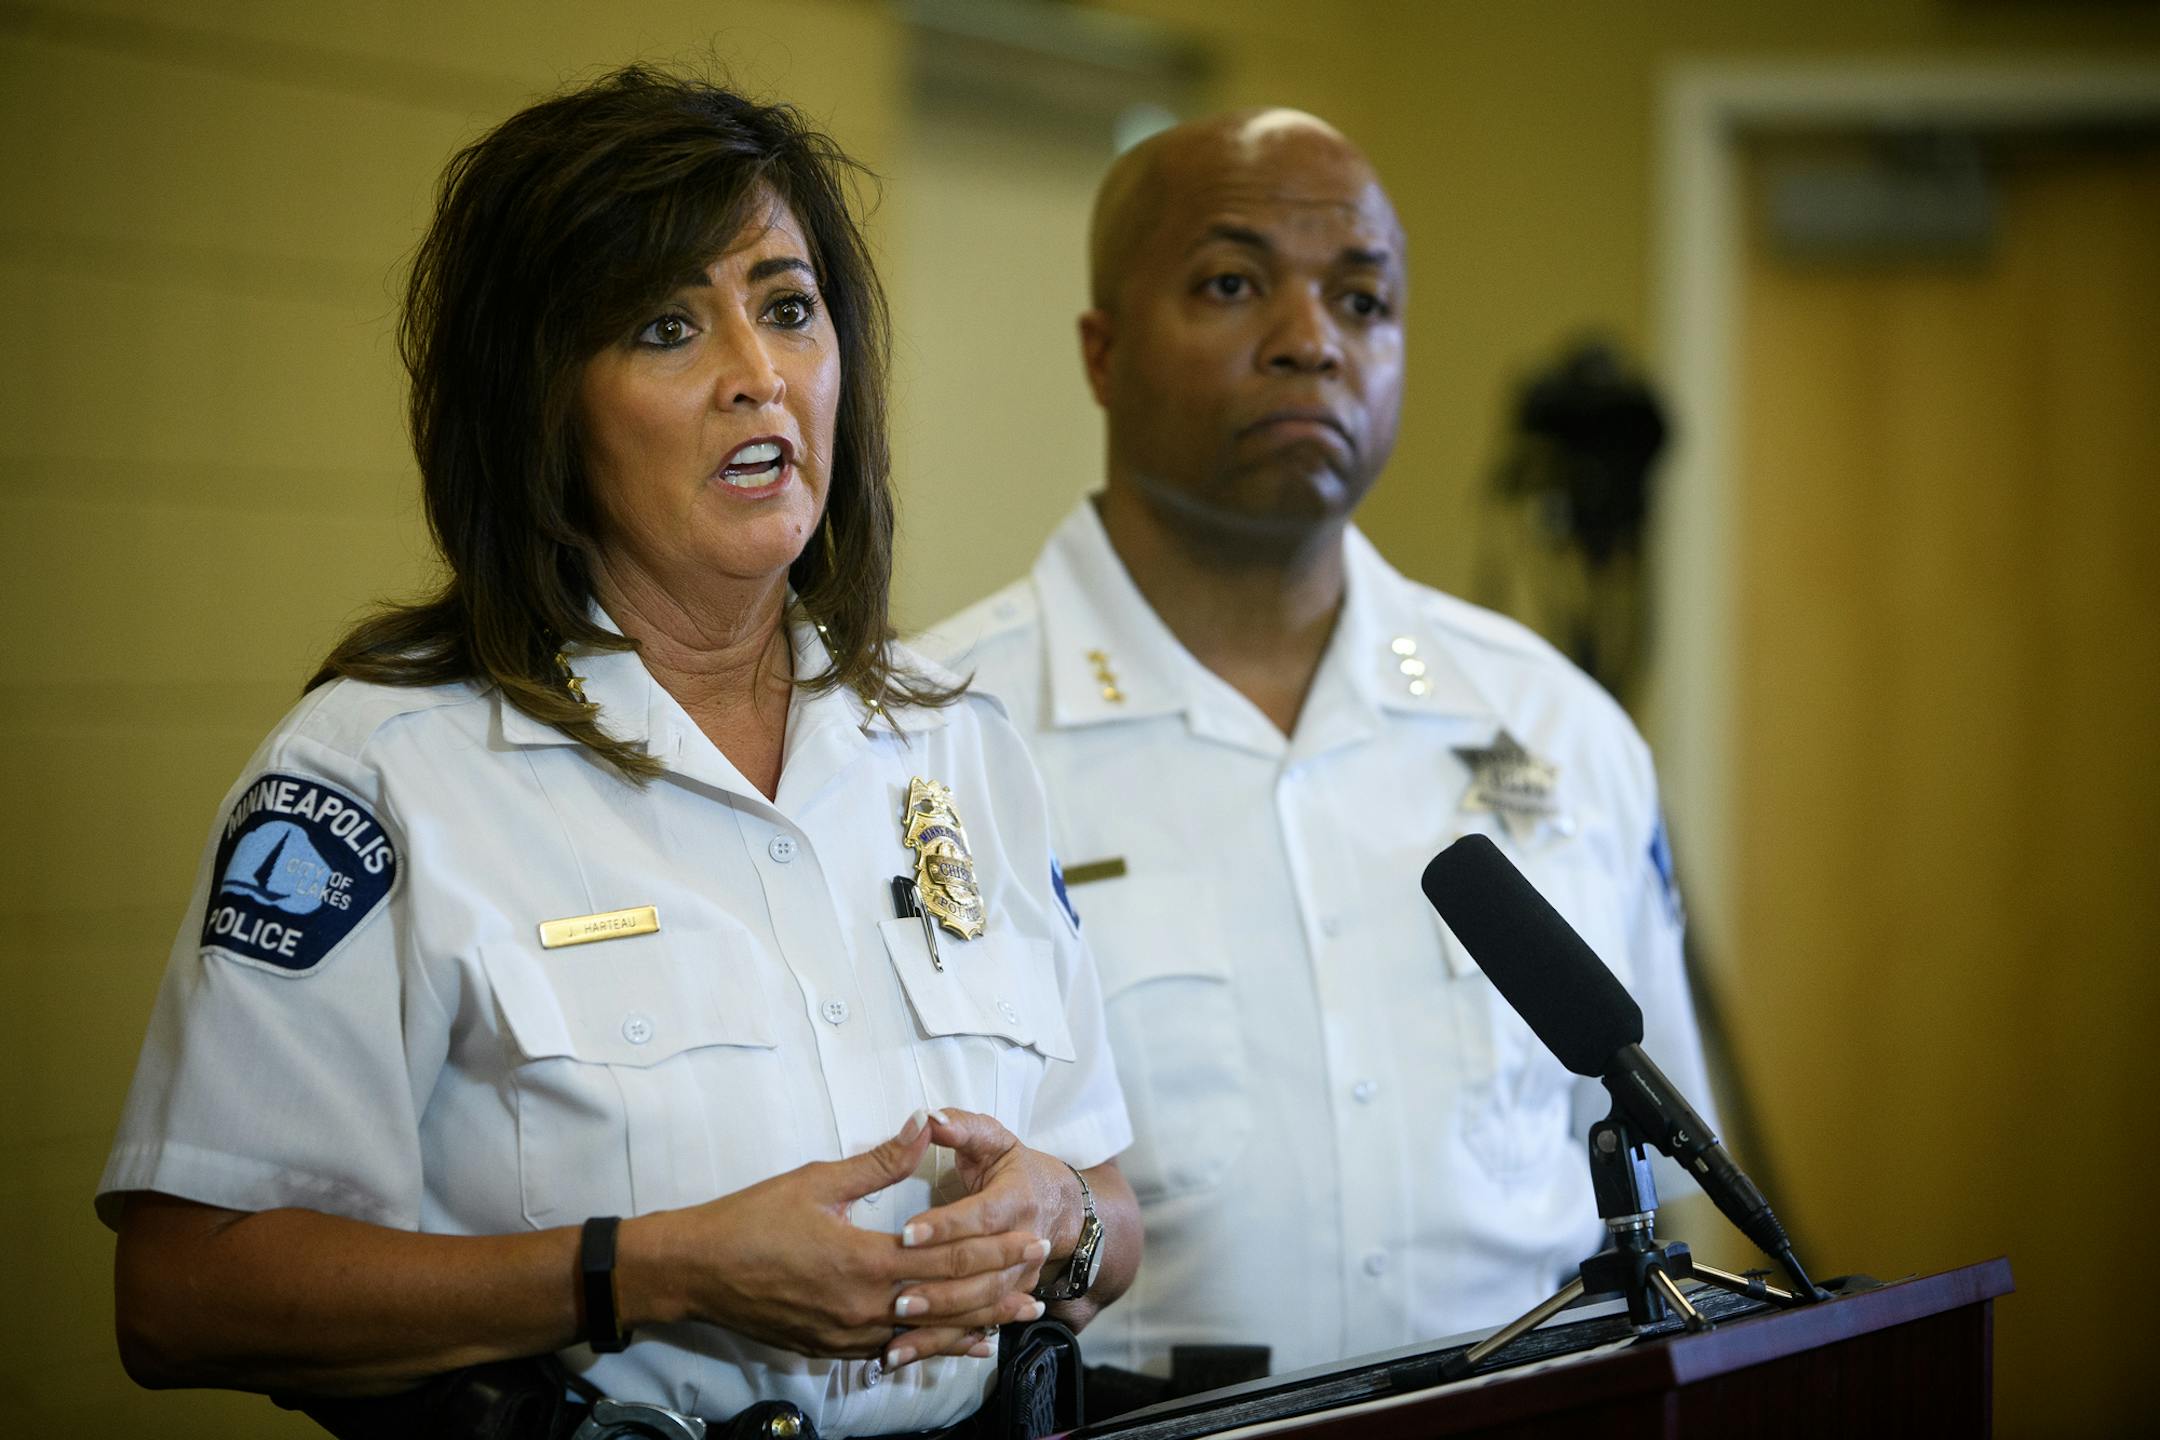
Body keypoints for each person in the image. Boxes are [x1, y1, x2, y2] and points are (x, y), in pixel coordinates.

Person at [98, 67, 1136, 1437]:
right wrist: (646, 1272)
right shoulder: (379, 772)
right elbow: (184, 1296)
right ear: (540, 404)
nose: (758, 377)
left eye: (787, 307)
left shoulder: (956, 740)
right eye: (664, 326)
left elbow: (1112, 1213)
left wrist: (1055, 1221)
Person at [922, 110, 1711, 1378]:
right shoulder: (936, 740)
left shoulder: (1556, 725)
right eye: (1232, 286)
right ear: (1103, 353)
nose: (1311, 343)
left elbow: (1671, 1186)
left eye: (1363, 300)